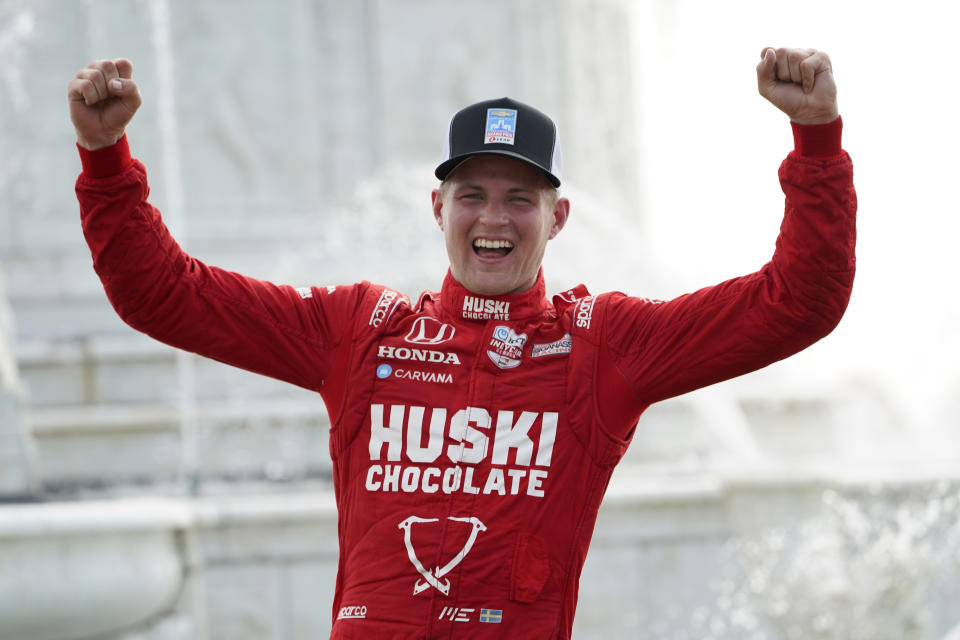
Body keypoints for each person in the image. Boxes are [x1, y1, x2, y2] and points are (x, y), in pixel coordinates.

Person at [68, 47, 855, 639]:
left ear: (559, 218)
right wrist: (106, 160)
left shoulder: (604, 344)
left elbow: (796, 304)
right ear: (437, 207)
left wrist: (815, 141)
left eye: (520, 198)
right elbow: (164, 295)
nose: (493, 219)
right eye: (472, 195)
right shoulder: (359, 330)